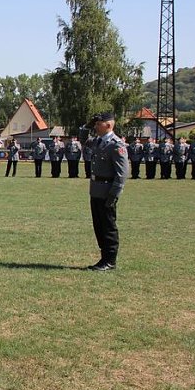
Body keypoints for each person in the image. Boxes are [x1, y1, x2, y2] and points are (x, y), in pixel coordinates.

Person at [81, 111, 128, 271]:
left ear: (108, 125)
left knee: (108, 226)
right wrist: (86, 126)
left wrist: (113, 196)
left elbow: (121, 175)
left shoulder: (116, 145)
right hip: (95, 190)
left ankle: (110, 260)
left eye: (98, 123)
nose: (95, 126)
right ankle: (104, 258)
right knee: (98, 226)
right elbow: (84, 140)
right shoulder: (99, 142)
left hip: (107, 191)